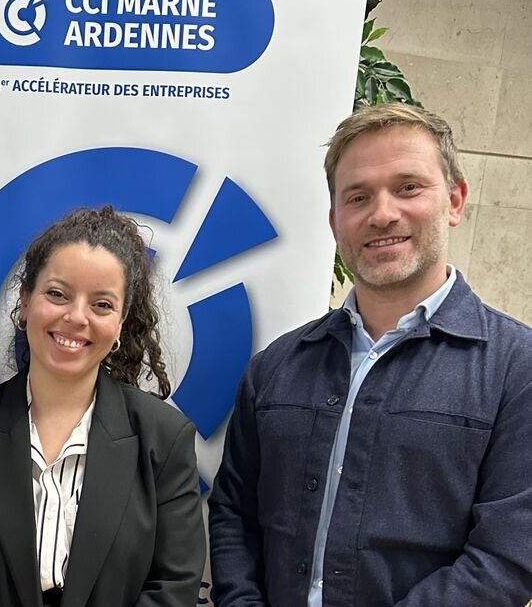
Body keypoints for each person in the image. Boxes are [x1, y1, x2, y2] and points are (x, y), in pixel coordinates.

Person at [208, 103, 532, 605]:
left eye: (408, 187)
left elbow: (506, 556)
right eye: (358, 196)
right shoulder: (275, 369)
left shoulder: (517, 369)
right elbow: (233, 514)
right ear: (336, 223)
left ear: (455, 200)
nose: (382, 214)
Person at [0, 206, 206, 607]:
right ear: (26, 301)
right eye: (57, 294)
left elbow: (174, 586)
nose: (75, 316)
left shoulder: (164, 440)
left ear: (120, 323)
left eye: (102, 304)